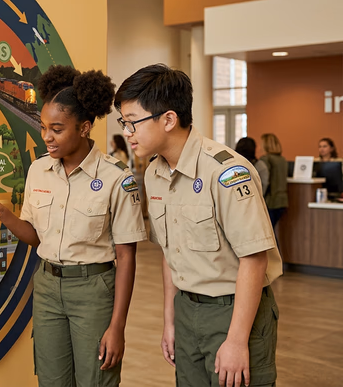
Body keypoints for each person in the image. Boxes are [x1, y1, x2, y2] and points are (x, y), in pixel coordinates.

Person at [0, 65, 146, 387]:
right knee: (52, 381)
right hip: (47, 288)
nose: (46, 136)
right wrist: (4, 214)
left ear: (84, 128)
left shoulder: (116, 178)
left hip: (93, 291)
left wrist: (117, 326)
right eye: (44, 126)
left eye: (57, 129)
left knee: (96, 380)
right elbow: (36, 238)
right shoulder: (38, 171)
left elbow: (127, 256)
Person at [115, 64, 282, 387]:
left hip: (233, 310)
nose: (127, 132)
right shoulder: (154, 174)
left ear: (168, 119)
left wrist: (236, 341)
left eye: (133, 122)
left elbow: (254, 258)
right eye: (124, 123)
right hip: (186, 309)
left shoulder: (227, 172)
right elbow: (169, 252)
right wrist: (170, 320)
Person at [259, 133, 289, 230]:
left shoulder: (266, 159)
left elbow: (264, 180)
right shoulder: (282, 160)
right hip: (282, 201)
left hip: (270, 201)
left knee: (268, 233)